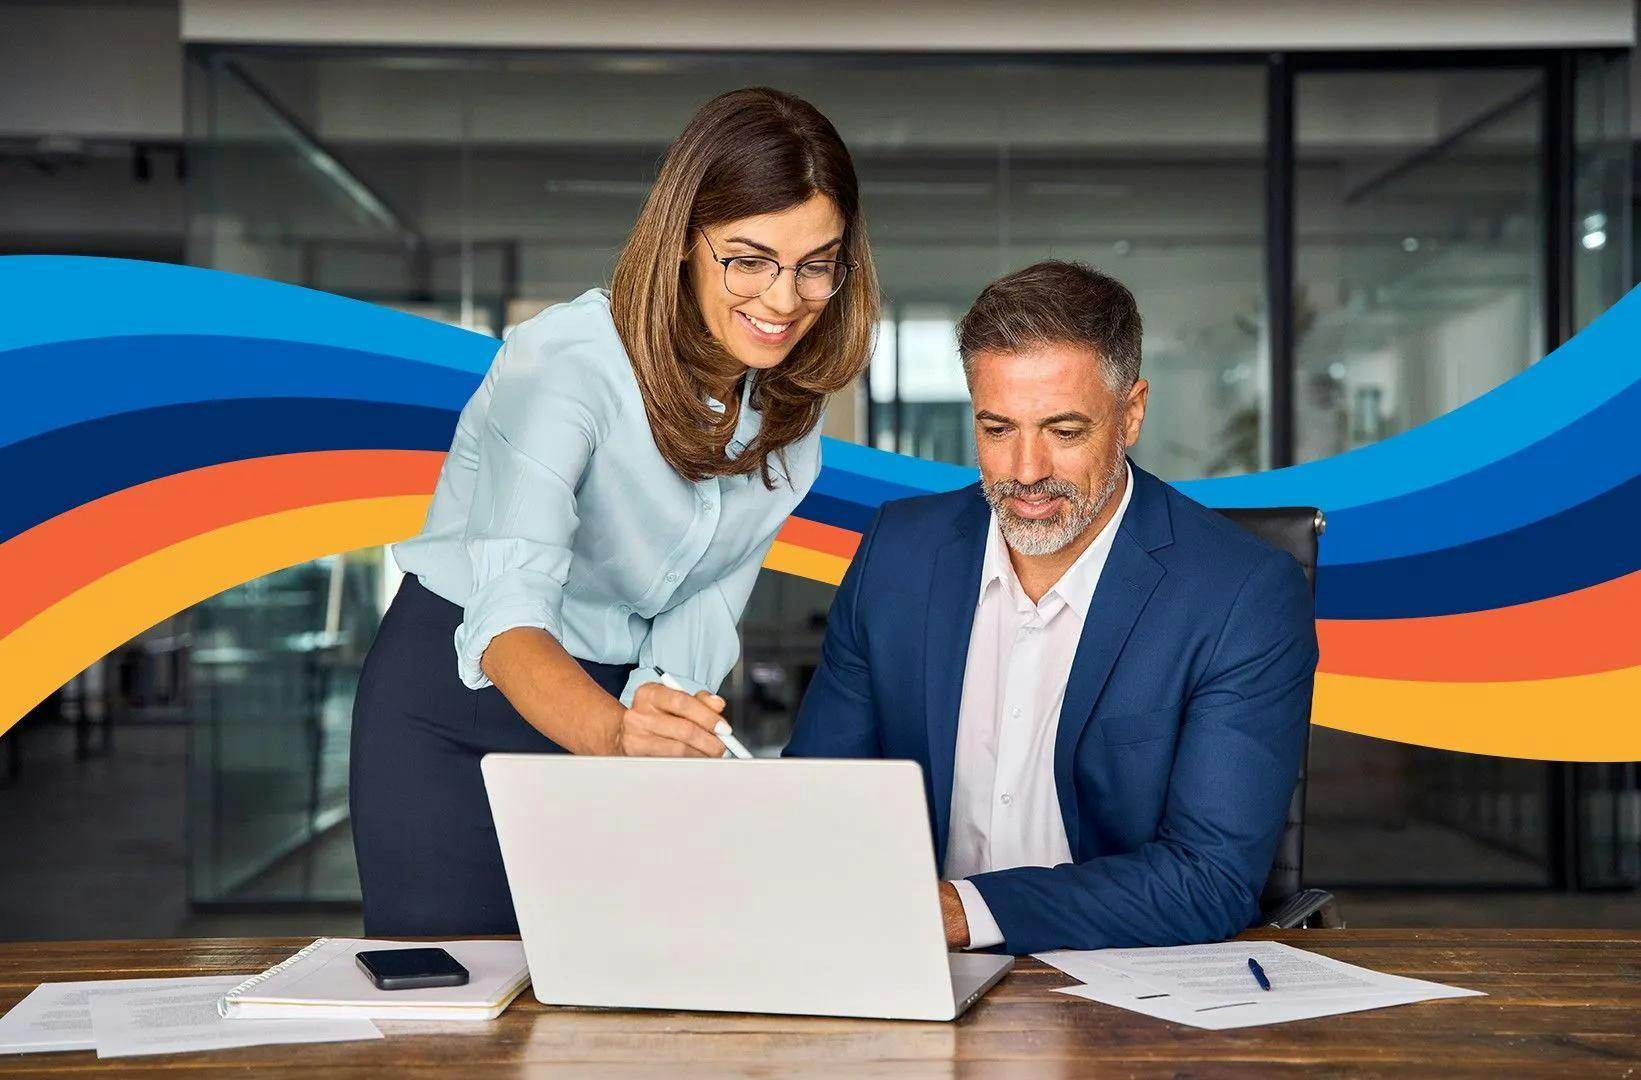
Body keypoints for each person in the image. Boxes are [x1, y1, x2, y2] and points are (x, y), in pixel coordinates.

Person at [351, 87, 880, 935]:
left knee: (616, 995)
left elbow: (703, 607)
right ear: (681, 245)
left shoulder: (790, 427)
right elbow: (509, 612)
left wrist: (656, 727)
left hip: (619, 704)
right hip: (465, 695)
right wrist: (615, 739)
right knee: (459, 1012)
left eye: (815, 264)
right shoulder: (567, 364)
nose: (784, 300)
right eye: (748, 260)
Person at [785, 261, 1317, 955]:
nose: (1026, 472)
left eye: (1063, 432)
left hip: (1121, 986)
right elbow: (817, 799)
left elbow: (1206, 879)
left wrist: (956, 912)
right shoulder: (897, 553)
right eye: (997, 429)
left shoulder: (1241, 594)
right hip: (905, 966)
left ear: (1129, 413)